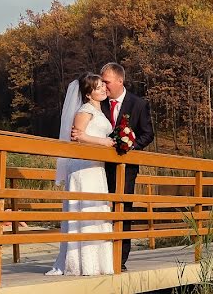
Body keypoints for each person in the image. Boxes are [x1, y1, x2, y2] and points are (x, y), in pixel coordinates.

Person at [74, 62, 154, 272]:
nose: (104, 86)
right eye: (102, 82)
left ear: (120, 81)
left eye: (107, 82)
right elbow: (85, 130)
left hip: (125, 168)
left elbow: (147, 134)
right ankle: (98, 257)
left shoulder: (138, 104)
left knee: (123, 210)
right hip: (97, 168)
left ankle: (119, 258)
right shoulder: (97, 103)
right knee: (99, 210)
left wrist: (129, 146)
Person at [47, 74, 115, 276]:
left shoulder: (99, 111)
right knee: (84, 208)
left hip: (96, 167)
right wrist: (106, 143)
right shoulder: (84, 110)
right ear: (88, 93)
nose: (103, 89)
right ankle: (80, 262)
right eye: (98, 87)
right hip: (83, 168)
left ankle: (98, 262)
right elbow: (78, 136)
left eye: (103, 85)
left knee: (97, 209)